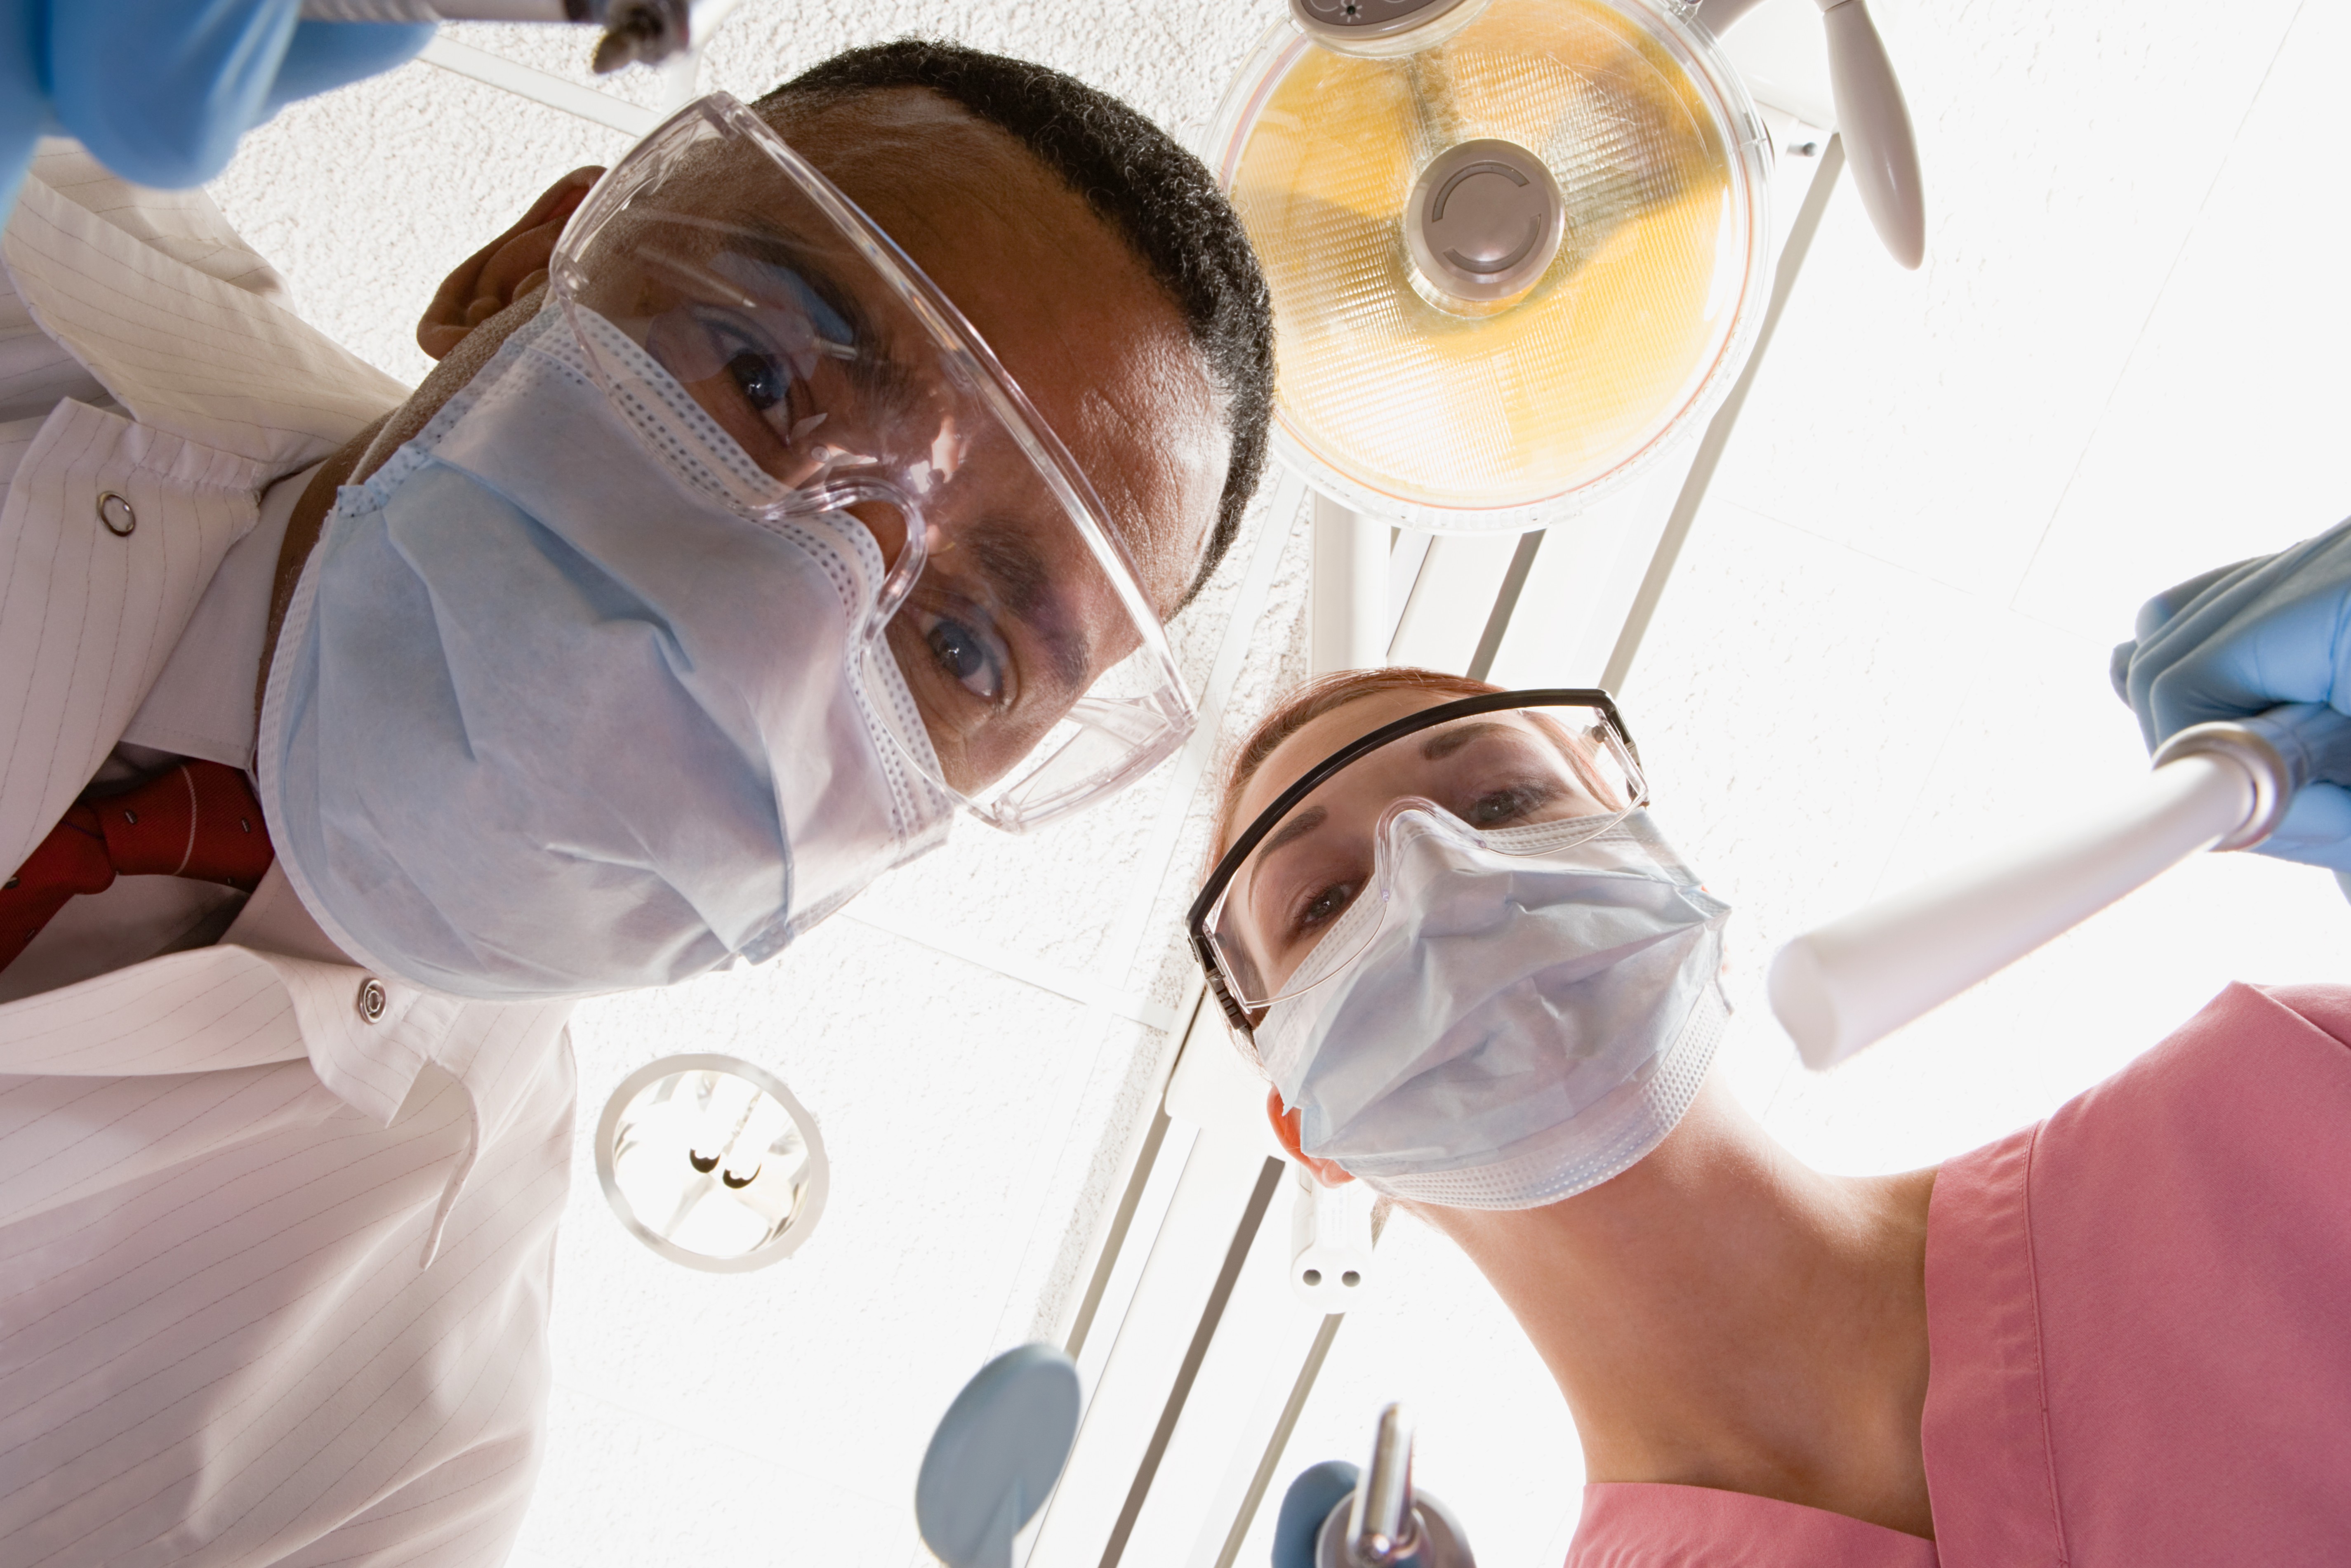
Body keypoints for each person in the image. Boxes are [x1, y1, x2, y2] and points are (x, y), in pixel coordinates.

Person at [0, 40, 1271, 1564]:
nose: (769, 624)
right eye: (763, 377)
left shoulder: (387, 1473)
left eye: (959, 647)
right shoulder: (33, 197)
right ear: (517, 269)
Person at [1192, 665, 2351, 1566]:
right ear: (1308, 1131)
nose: (1442, 880)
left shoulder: (2280, 1099)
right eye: (1326, 900)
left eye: (1503, 797)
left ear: (1663, 871)